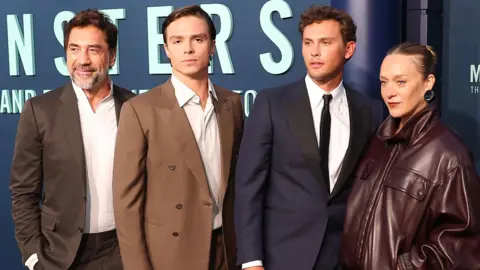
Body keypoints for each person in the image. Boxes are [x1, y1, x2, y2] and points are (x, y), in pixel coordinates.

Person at [234, 5, 384, 270]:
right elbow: (248, 187)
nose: (314, 52)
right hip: (281, 256)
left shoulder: (369, 111)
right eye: (308, 43)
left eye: (325, 43)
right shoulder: (272, 103)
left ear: (349, 49)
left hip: (343, 255)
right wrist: (251, 260)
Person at [112, 5, 243, 270]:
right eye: (177, 41)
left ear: (213, 46)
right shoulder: (141, 109)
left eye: (198, 39)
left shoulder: (232, 103)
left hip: (226, 249)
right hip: (171, 253)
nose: (188, 49)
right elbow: (126, 203)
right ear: (167, 50)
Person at [9, 9, 135, 270]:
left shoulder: (135, 107)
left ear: (111, 56)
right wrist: (33, 255)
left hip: (122, 252)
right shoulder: (40, 110)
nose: (82, 60)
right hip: (60, 254)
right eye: (74, 49)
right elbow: (23, 191)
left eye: (94, 50)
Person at [341, 42, 480, 269]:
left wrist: (404, 267)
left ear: (428, 83)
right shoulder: (377, 142)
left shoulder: (449, 155)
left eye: (401, 82)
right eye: (384, 82)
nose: (390, 92)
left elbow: (460, 246)